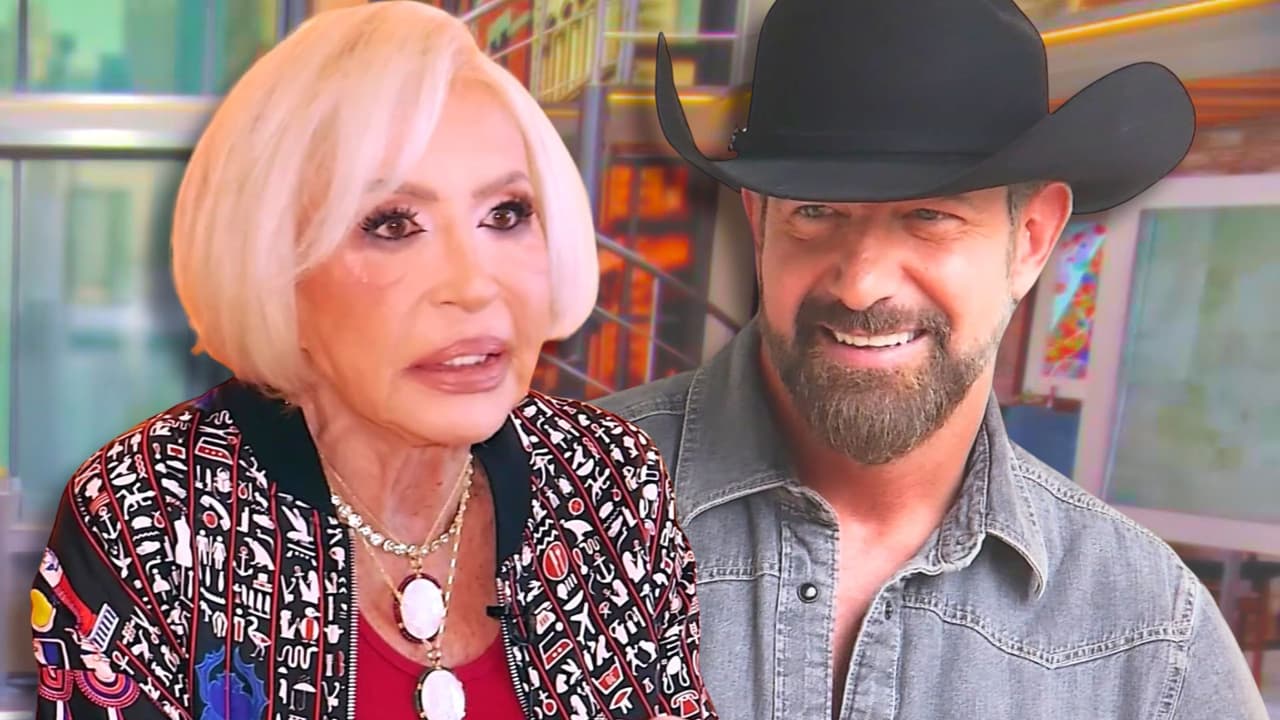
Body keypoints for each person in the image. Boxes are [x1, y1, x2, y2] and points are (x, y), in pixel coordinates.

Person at [28, 4, 716, 720]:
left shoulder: (611, 480)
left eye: (506, 214)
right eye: (393, 224)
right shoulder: (147, 512)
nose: (474, 285)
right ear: (274, 266)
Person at [598, 0, 1268, 718]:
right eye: (814, 212)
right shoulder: (546, 504)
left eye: (930, 216)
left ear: (1031, 239)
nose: (861, 284)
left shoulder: (1150, 639)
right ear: (758, 222)